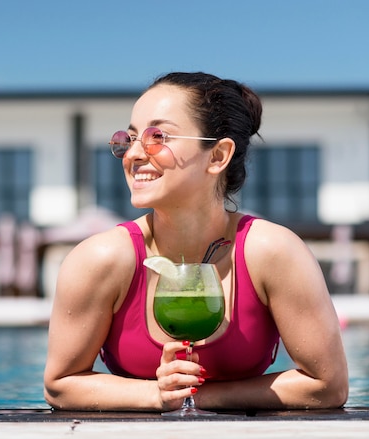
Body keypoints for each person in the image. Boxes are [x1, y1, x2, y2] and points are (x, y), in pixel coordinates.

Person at [43, 72, 349, 412]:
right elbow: (60, 385)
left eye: (157, 136)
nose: (134, 154)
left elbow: (327, 386)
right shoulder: (101, 259)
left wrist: (196, 398)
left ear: (217, 156)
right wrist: (158, 396)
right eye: (129, 138)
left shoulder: (272, 252)